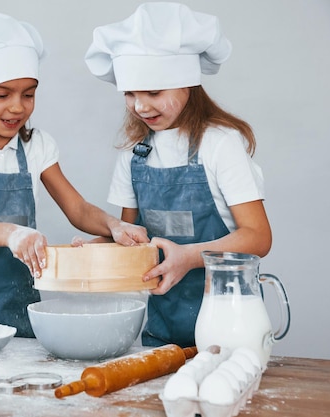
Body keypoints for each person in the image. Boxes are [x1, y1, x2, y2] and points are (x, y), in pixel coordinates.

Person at [0, 12, 149, 338]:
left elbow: (78, 209)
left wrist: (116, 226)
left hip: (19, 306)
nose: (17, 107)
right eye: (2, 95)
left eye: (28, 94)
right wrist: (12, 234)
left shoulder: (35, 146)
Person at [84, 2, 272, 347]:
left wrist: (189, 257)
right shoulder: (133, 153)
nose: (141, 106)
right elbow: (134, 239)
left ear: (188, 84)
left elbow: (258, 237)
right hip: (162, 332)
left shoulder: (220, 144)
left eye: (154, 92)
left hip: (230, 329)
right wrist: (99, 247)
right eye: (130, 94)